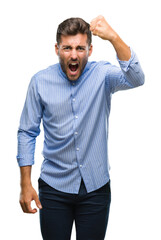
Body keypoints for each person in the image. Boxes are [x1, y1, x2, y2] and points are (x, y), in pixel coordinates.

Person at [17, 15, 145, 240]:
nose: (74, 55)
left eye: (80, 48)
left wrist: (114, 37)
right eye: (67, 48)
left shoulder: (103, 75)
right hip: (54, 187)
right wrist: (25, 184)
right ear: (57, 48)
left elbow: (136, 78)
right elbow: (27, 132)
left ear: (90, 50)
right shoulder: (40, 82)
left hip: (96, 188)